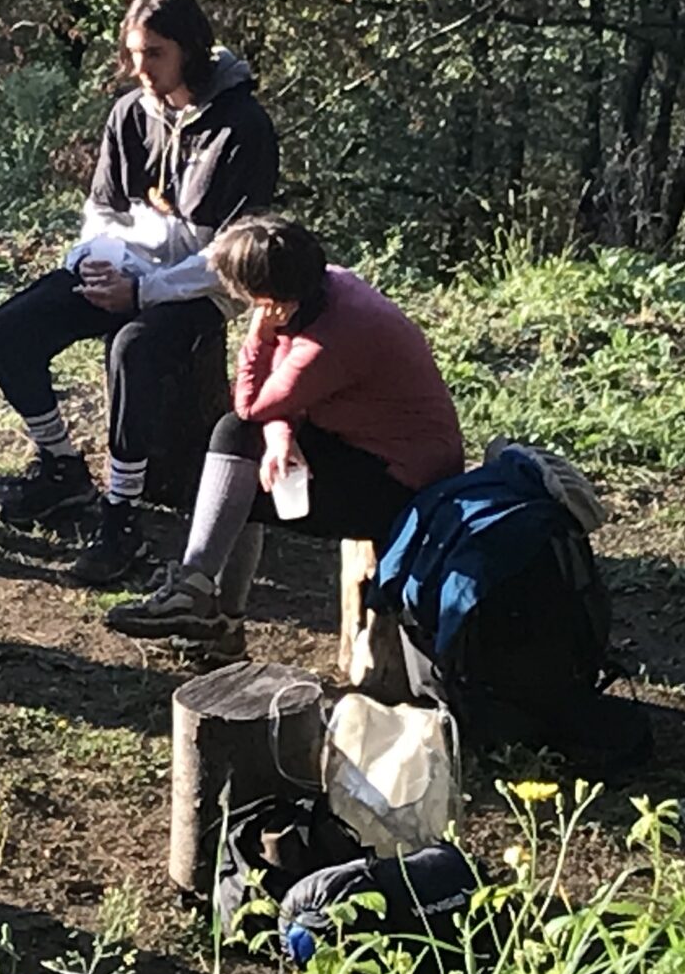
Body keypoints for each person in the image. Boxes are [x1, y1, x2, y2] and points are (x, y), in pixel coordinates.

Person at [0, 0, 278, 583]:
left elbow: (226, 255)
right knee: (7, 329)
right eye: (133, 52)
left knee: (133, 350)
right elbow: (103, 210)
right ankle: (63, 469)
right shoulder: (130, 112)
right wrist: (96, 258)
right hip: (126, 269)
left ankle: (120, 519)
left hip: (196, 291)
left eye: (155, 54)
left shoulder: (242, 128)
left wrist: (144, 292)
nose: (140, 68)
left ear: (191, 50)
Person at [106, 215, 466, 652]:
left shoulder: (332, 341)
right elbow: (279, 401)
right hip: (359, 441)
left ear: (266, 298)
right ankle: (204, 603)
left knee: (235, 473)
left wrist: (257, 337)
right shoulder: (325, 286)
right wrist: (280, 436)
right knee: (238, 452)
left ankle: (206, 607)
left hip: (400, 485)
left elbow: (253, 402)